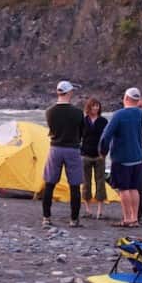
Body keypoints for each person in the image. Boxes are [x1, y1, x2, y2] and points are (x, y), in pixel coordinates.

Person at [42, 80, 86, 228]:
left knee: (50, 183)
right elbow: (82, 132)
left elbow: (51, 129)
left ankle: (46, 217)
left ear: (58, 92)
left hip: (55, 148)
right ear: (69, 93)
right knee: (74, 185)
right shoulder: (78, 113)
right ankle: (74, 219)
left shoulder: (49, 112)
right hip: (72, 149)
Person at [99, 87, 142, 227]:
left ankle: (127, 218)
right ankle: (135, 218)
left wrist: (103, 151)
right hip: (138, 156)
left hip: (121, 157)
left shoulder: (119, 115)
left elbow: (107, 135)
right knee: (135, 188)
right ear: (138, 100)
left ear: (125, 98)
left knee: (124, 189)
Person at [80, 98, 108, 219]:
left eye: (97, 106)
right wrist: (79, 152)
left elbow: (107, 138)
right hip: (85, 154)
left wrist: (105, 152)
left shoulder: (103, 121)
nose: (96, 108)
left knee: (100, 182)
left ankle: (100, 210)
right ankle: (87, 209)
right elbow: (78, 136)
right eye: (93, 106)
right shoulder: (83, 121)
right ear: (88, 107)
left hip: (99, 155)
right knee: (86, 182)